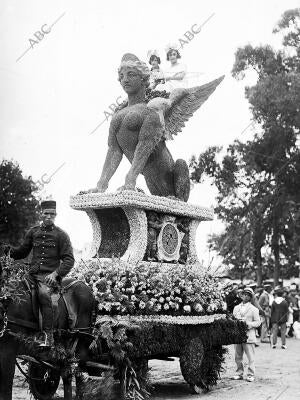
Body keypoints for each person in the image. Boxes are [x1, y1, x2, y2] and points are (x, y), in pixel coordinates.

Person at [5, 200, 75, 347]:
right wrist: (8, 251)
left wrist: (56, 274)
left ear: (55, 215)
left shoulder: (61, 235)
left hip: (49, 278)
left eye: (52, 214)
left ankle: (47, 336)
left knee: (43, 295)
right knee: (10, 289)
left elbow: (69, 260)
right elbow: (22, 251)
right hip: (31, 275)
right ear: (41, 214)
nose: (48, 216)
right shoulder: (33, 232)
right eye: (46, 213)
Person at [232, 287, 261, 382]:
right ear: (241, 295)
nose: (246, 296)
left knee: (250, 356)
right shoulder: (236, 308)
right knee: (238, 356)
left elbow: (258, 322)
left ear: (251, 297)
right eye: (244, 294)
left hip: (249, 335)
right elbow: (233, 320)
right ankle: (239, 372)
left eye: (248, 295)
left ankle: (250, 374)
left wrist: (248, 324)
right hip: (237, 335)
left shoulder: (254, 309)